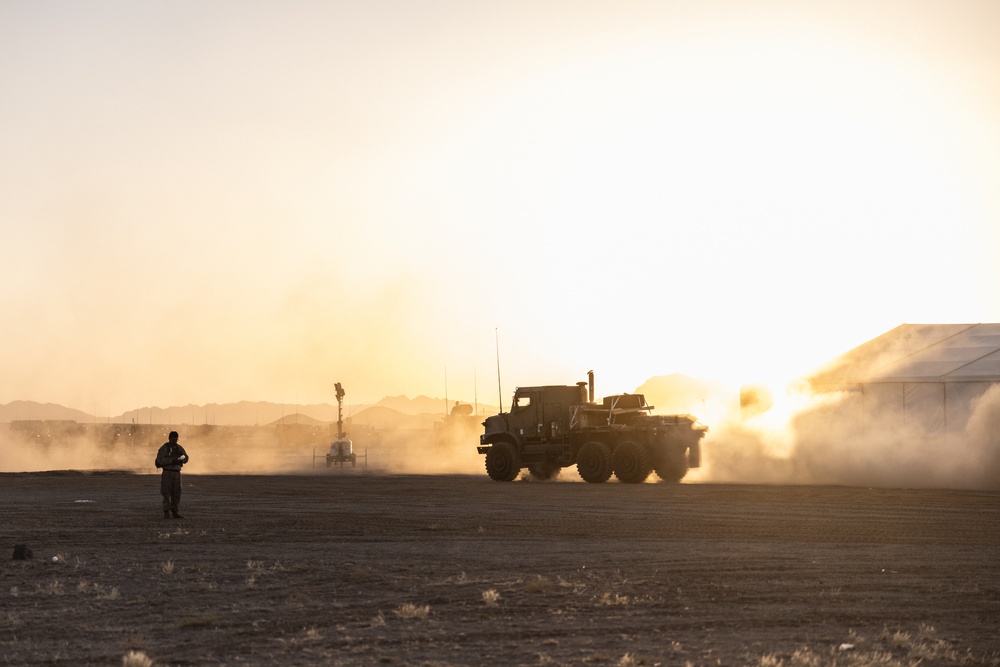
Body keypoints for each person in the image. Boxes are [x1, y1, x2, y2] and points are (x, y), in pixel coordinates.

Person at [155, 431, 189, 519]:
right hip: (168, 472)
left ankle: (174, 511)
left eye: (176, 438)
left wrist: (180, 459)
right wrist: (171, 460)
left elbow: (185, 457)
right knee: (166, 493)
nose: (174, 440)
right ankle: (166, 512)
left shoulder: (179, 448)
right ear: (169, 438)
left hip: (176, 473)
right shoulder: (164, 448)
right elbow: (159, 461)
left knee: (176, 493)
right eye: (173, 438)